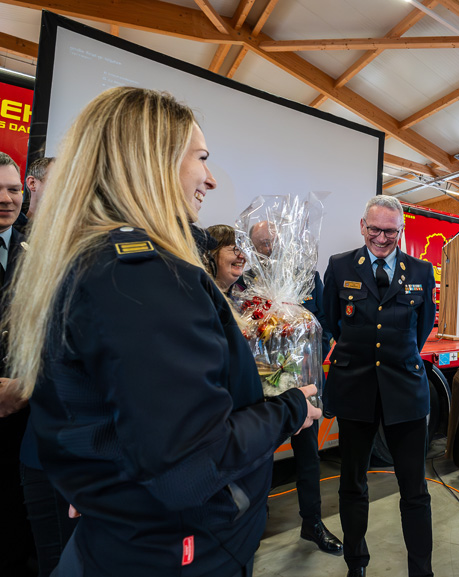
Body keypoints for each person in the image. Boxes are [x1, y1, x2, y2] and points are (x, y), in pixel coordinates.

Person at [3, 86, 321, 577]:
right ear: (152, 161)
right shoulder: (144, 275)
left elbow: (109, 414)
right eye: (202, 158)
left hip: (128, 536)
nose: (210, 179)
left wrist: (105, 482)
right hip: (178, 549)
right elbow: (188, 468)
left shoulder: (92, 258)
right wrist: (290, 408)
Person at [322, 195, 436, 577]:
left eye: (391, 231)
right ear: (362, 226)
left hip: (405, 390)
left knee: (415, 489)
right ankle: (356, 564)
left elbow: (422, 328)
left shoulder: (421, 271)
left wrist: (395, 355)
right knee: (353, 484)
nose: (382, 238)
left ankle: (421, 570)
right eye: (375, 229)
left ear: (401, 230)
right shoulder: (340, 266)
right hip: (355, 389)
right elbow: (333, 322)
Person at [247, 219, 342, 555]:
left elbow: (324, 323)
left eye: (274, 241)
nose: (270, 248)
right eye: (262, 243)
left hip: (302, 382)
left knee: (308, 456)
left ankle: (312, 523)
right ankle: (254, 525)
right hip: (261, 387)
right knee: (257, 457)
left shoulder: (307, 276)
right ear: (252, 247)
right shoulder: (246, 279)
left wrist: (307, 356)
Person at [0, 151, 37, 577]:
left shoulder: (38, 249)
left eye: (14, 189)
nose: (7, 199)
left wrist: (26, 385)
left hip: (22, 408)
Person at [205, 224, 246, 295]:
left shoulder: (243, 293)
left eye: (243, 250)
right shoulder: (196, 294)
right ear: (212, 254)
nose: (242, 256)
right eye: (236, 250)